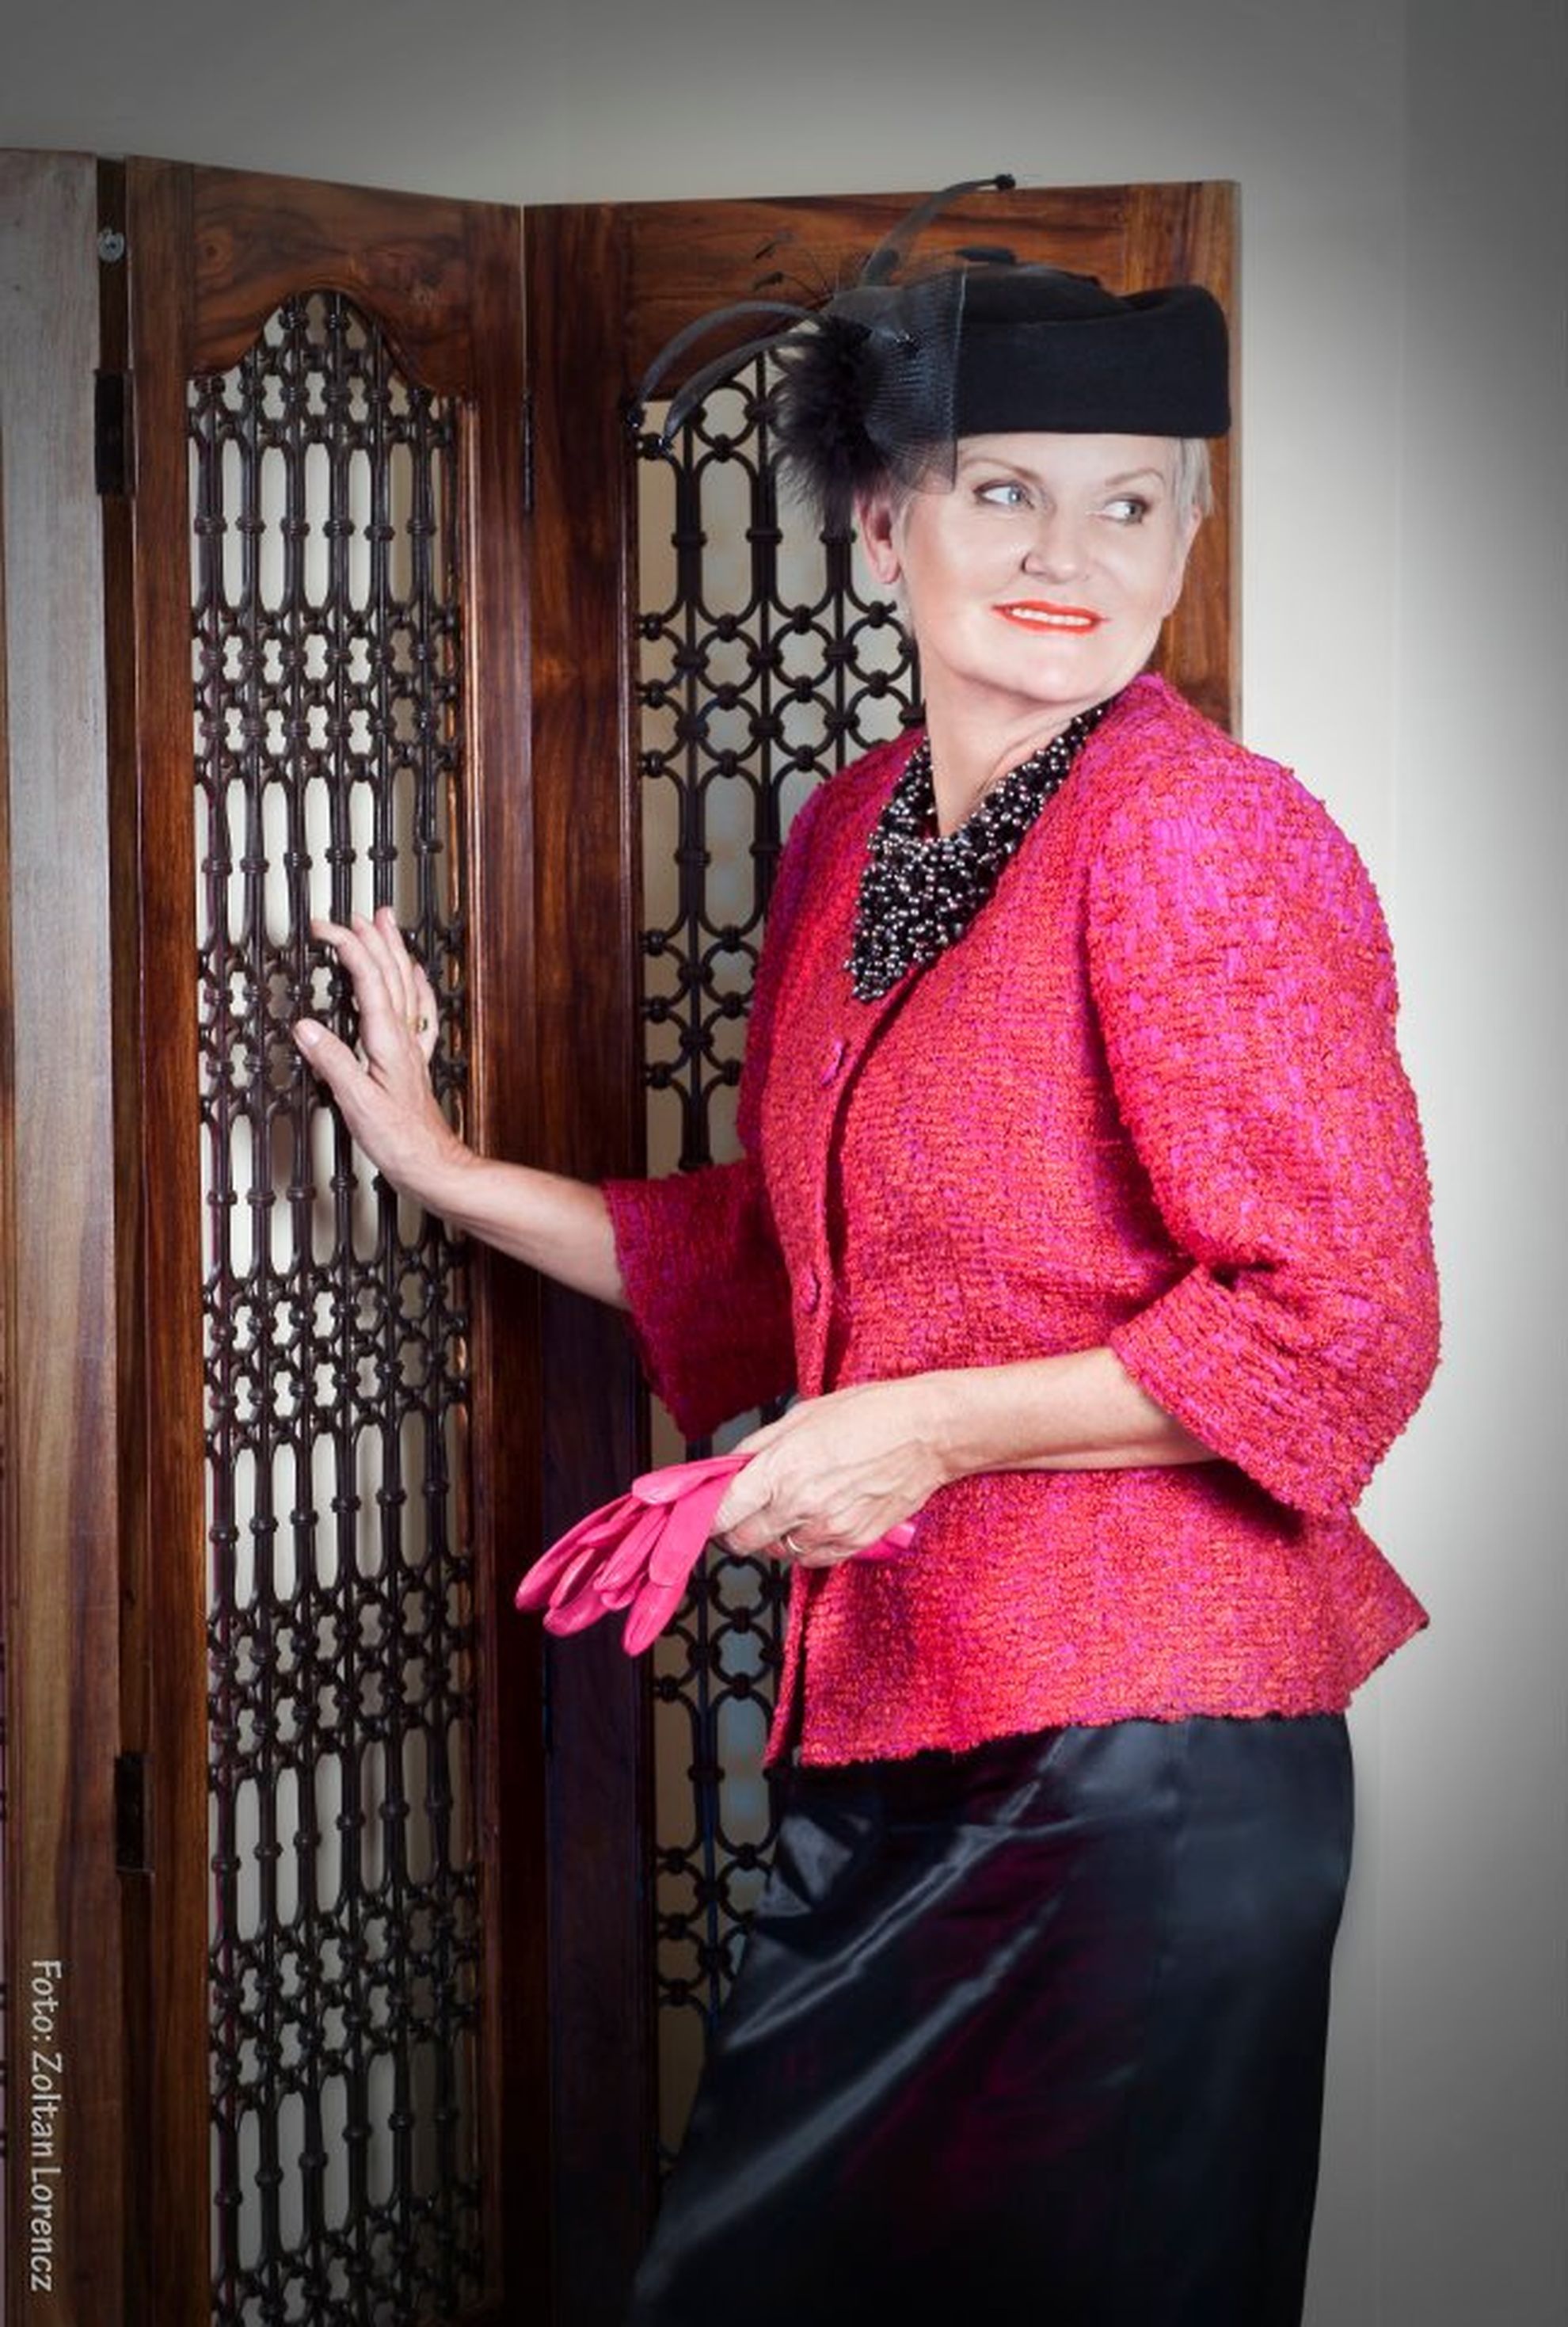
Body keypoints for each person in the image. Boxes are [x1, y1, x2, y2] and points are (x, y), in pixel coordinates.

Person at [295, 190, 1439, 2327]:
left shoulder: (1205, 830)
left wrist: (915, 1435)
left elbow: (1335, 1326)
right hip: (914, 1736)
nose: (1070, 552)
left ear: (1186, 541)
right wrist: (443, 1167)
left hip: (1144, 1770)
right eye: (1004, 491)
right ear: (881, 524)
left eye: (1131, 504)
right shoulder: (853, 830)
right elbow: (786, 1256)